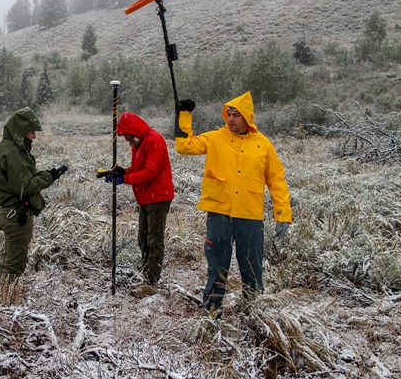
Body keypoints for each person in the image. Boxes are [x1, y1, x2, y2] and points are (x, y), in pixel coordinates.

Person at [174, 91, 292, 315]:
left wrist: (283, 213)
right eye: (229, 114)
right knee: (217, 266)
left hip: (250, 215)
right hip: (220, 213)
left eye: (236, 115)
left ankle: (254, 313)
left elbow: (276, 180)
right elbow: (184, 146)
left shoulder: (263, 145)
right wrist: (183, 115)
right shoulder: (216, 137)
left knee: (252, 268)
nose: (231, 119)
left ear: (247, 116)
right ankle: (211, 312)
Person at [100, 112, 174, 298]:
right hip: (145, 198)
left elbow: (149, 172)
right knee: (142, 238)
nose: (126, 141)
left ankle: (151, 281)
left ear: (133, 131)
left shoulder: (154, 140)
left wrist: (124, 179)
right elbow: (139, 168)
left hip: (158, 197)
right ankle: (146, 272)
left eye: (126, 136)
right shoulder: (138, 143)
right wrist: (123, 171)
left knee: (154, 240)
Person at [0, 107, 67, 282]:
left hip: (9, 212)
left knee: (9, 257)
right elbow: (26, 187)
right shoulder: (13, 153)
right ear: (20, 131)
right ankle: (3, 299)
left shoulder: (10, 149)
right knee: (14, 266)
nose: (34, 136)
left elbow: (22, 181)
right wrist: (50, 176)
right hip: (15, 214)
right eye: (31, 131)